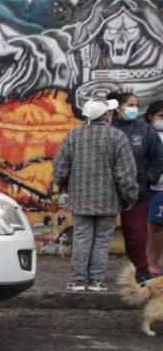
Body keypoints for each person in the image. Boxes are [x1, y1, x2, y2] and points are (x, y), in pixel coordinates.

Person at [52, 98, 138, 292]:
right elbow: (125, 172)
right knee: (101, 240)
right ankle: (96, 281)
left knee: (81, 238)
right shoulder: (117, 137)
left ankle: (76, 280)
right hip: (108, 200)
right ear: (105, 116)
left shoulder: (73, 136)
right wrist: (129, 196)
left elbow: (60, 168)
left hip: (80, 198)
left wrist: (64, 186)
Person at [110, 91, 163, 284]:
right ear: (118, 107)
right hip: (107, 192)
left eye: (137, 105)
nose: (135, 109)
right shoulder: (108, 128)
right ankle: (89, 275)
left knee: (135, 234)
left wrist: (148, 179)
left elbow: (158, 158)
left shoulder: (145, 130)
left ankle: (141, 270)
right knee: (98, 235)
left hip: (138, 192)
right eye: (131, 105)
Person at [145, 100, 163, 280]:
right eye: (161, 116)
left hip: (161, 188)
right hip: (143, 186)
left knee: (156, 225)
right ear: (151, 116)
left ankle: (152, 262)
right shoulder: (143, 133)